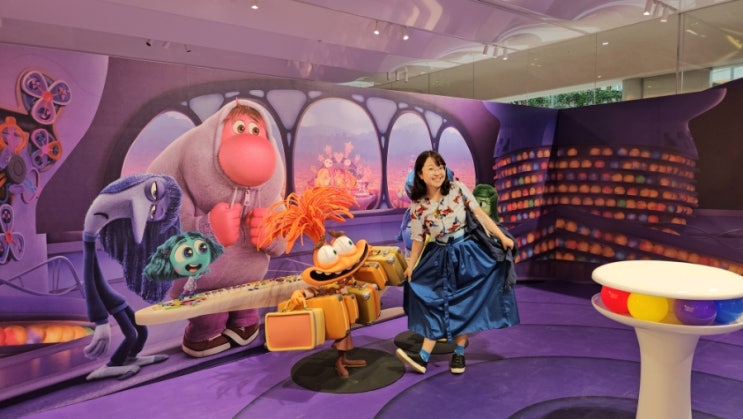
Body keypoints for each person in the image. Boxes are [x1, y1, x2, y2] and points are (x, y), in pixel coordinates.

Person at [395, 150, 519, 375]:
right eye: (431, 168)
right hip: (438, 255)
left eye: (440, 167)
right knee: (433, 300)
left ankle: (459, 353)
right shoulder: (418, 206)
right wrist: (411, 266)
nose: (438, 172)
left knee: (466, 302)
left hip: (466, 252)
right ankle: (423, 356)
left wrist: (501, 237)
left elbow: (481, 216)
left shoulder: (458, 189)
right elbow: (418, 239)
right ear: (420, 174)